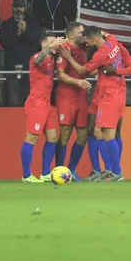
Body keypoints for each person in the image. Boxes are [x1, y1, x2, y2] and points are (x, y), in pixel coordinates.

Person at [59, 26, 131, 182]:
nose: (85, 43)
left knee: (109, 134)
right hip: (106, 92)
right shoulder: (112, 39)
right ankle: (107, 169)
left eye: (87, 40)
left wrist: (68, 57)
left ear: (94, 39)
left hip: (110, 94)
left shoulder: (100, 54)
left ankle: (116, 172)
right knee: (96, 131)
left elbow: (83, 71)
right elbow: (103, 33)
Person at [19, 32, 66, 183]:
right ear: (44, 44)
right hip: (36, 103)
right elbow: (39, 59)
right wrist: (51, 46)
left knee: (53, 138)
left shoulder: (53, 60)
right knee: (32, 138)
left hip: (47, 104)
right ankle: (26, 175)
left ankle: (45, 173)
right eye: (51, 42)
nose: (55, 45)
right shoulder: (36, 57)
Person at [55, 22, 93, 181]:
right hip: (67, 95)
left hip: (81, 96)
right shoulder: (64, 49)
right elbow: (60, 75)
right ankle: (58, 171)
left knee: (83, 135)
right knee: (65, 134)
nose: (83, 35)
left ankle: (70, 170)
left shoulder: (83, 49)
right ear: (71, 35)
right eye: (80, 32)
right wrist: (77, 82)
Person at [0, 0, 42, 106]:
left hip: (30, 68)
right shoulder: (6, 24)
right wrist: (17, 33)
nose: (18, 9)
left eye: (21, 6)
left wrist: (25, 31)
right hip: (12, 68)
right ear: (12, 8)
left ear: (25, 8)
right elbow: (4, 44)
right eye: (16, 6)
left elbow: (37, 42)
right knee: (14, 102)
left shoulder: (33, 23)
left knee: (30, 103)